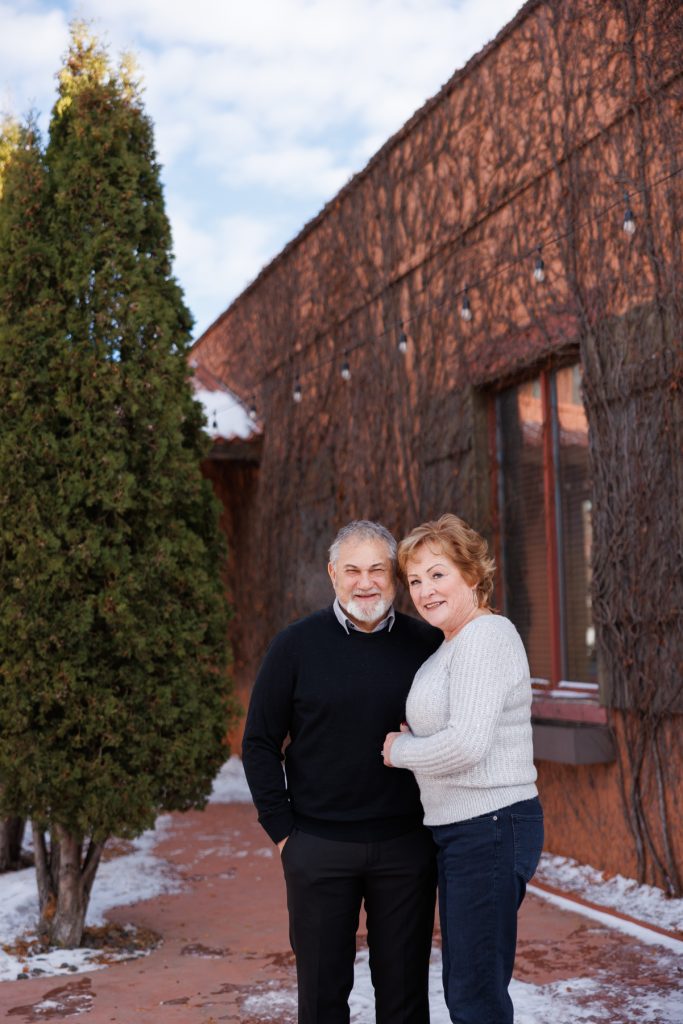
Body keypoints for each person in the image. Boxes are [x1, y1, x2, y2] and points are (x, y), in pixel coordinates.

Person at [242, 520, 442, 1024]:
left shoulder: (428, 645)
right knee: (322, 998)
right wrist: (283, 832)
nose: (365, 581)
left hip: (405, 846)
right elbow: (260, 743)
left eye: (378, 569)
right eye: (352, 569)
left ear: (394, 576)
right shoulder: (295, 646)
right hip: (317, 847)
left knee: (404, 999)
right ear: (333, 574)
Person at [382, 513, 543, 1024]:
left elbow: (467, 745)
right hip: (463, 830)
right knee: (466, 983)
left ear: (472, 575)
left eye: (437, 574)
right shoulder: (450, 645)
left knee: (475, 992)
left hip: (490, 825)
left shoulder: (486, 636)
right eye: (414, 580)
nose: (425, 590)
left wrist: (399, 751)